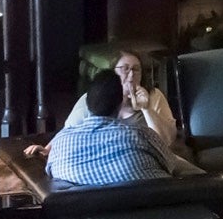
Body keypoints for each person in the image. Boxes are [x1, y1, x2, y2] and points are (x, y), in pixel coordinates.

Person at [47, 70, 175, 187]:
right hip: (153, 207)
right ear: (120, 104)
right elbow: (171, 165)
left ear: (87, 103)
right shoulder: (142, 135)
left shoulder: (60, 143)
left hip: (84, 210)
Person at [59, 50, 176, 147]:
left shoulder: (154, 95)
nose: (131, 75)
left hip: (149, 154)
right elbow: (68, 130)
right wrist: (48, 148)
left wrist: (147, 109)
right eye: (125, 69)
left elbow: (167, 140)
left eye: (136, 69)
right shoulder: (94, 96)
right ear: (113, 73)